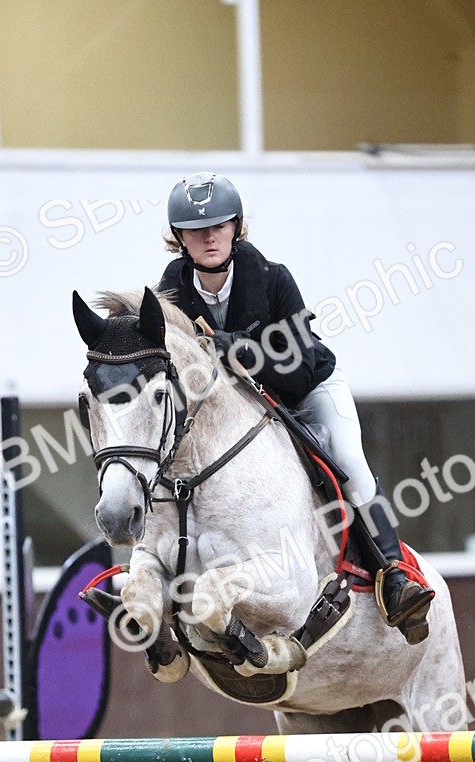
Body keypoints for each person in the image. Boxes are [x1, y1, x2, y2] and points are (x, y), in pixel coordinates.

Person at [157, 172, 434, 644]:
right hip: (244, 407)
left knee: (350, 463)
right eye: (195, 229)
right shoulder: (171, 290)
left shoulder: (271, 278)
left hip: (308, 389)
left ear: (235, 228)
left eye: (219, 226)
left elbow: (299, 368)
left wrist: (232, 347)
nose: (209, 237)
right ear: (179, 238)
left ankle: (394, 575)